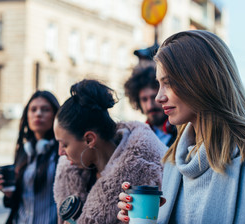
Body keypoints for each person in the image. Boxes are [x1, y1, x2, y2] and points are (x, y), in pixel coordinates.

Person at [117, 30, 245, 223]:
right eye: (159, 84)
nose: (158, 97)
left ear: (201, 80)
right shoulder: (173, 161)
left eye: (168, 83)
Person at [53, 79, 167, 224]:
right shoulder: (71, 178)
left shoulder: (149, 172)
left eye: (64, 144)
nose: (60, 152)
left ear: (89, 139)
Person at [0, 90, 60, 224]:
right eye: (33, 109)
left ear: (55, 115)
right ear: (27, 115)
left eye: (45, 109)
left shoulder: (62, 152)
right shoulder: (25, 151)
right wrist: (9, 194)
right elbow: (18, 202)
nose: (38, 114)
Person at [124, 64, 176, 147]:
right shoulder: (136, 138)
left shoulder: (185, 133)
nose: (150, 106)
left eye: (154, 97)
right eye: (144, 99)